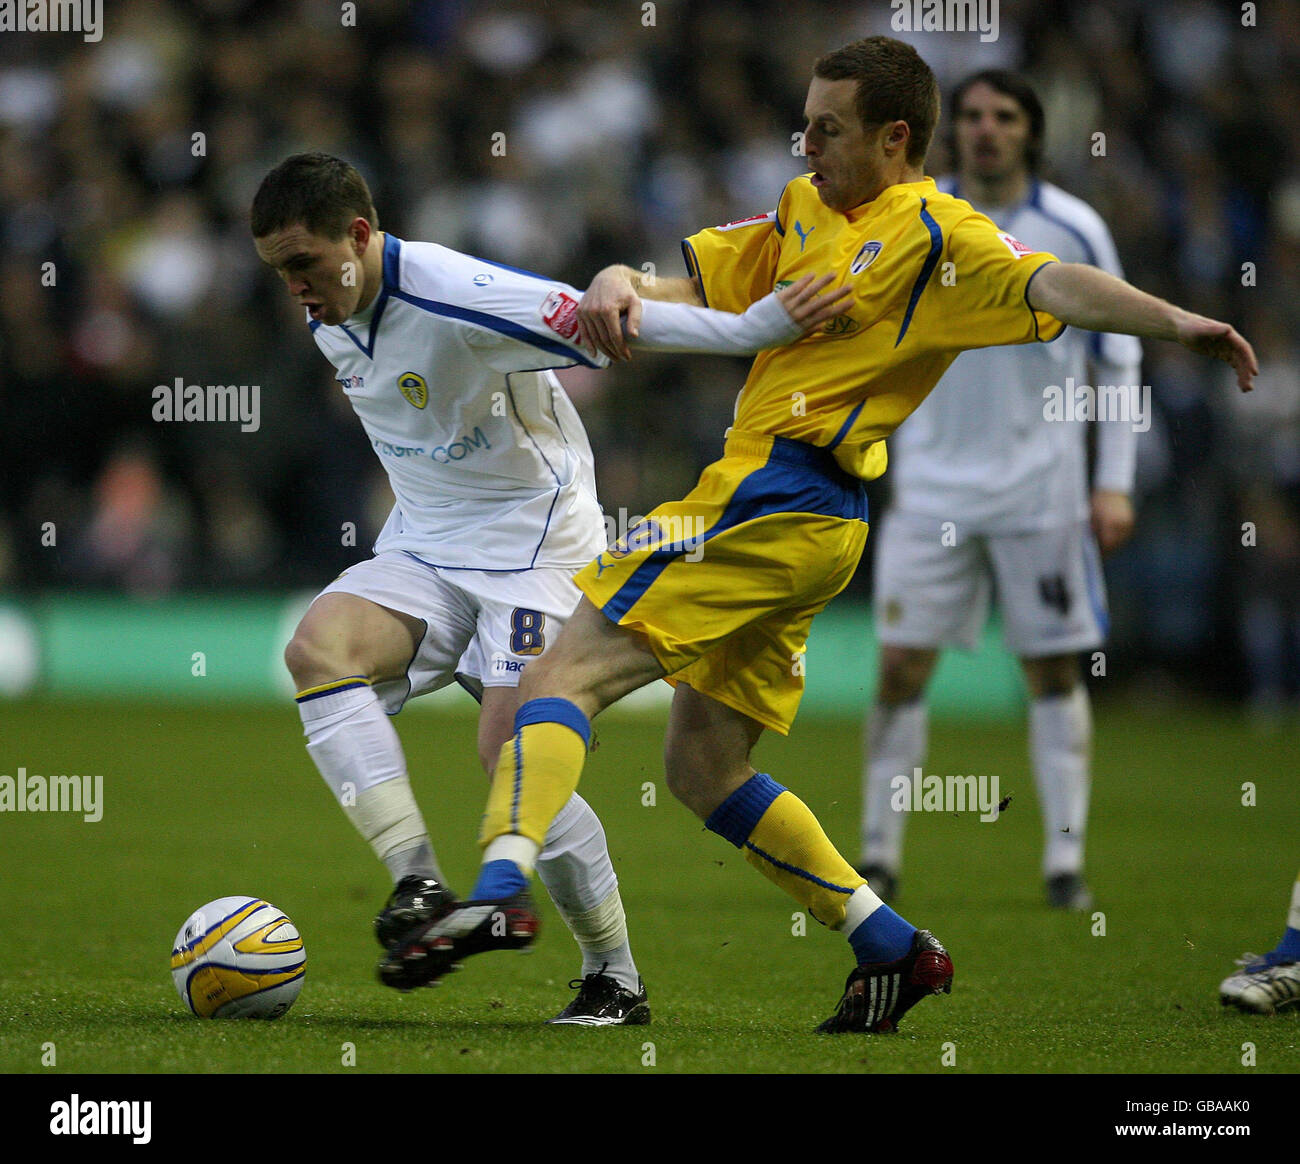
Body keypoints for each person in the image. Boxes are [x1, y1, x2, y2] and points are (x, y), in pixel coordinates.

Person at [379, 37, 1257, 1035]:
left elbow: (1053, 285)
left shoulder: (936, 230)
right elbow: (697, 287)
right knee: (703, 768)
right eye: (803, 123)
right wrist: (621, 276)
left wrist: (1176, 320)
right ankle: (889, 945)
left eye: (827, 129)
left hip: (775, 494)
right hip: (813, 522)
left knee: (555, 679)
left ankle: (500, 886)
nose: (806, 144)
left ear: (894, 138)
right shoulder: (802, 211)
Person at [250, 151, 849, 1026]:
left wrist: (755, 329)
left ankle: (615, 976)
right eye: (278, 272)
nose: (296, 289)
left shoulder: (451, 291)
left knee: (512, 752)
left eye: (304, 264)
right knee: (318, 648)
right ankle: (418, 882)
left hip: (538, 546)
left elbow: (606, 320)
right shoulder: (330, 310)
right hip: (426, 546)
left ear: (361, 235)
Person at [857, 71, 1142, 911]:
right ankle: (877, 855)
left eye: (1004, 116)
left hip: (1040, 493)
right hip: (932, 486)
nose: (985, 129)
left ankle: (1063, 863)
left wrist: (1114, 482)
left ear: (1031, 131)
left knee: (1052, 669)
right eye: (973, 115)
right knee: (901, 668)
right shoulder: (921, 219)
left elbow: (1119, 348)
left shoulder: (1072, 227)